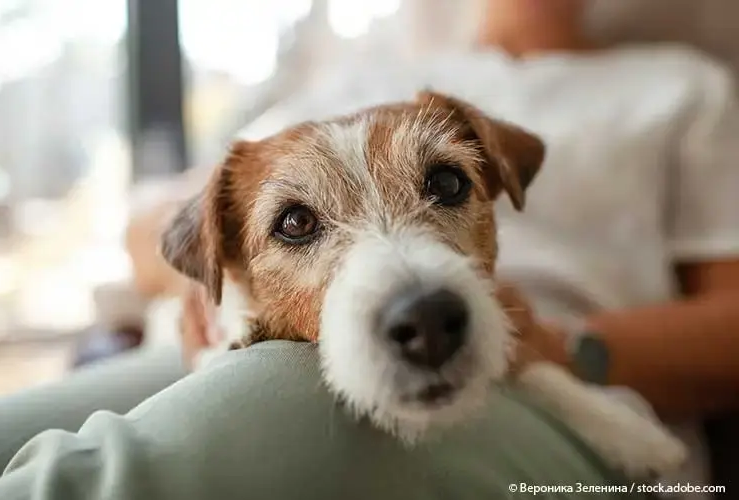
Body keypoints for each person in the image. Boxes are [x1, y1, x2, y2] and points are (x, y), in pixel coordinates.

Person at [173, 0, 739, 497]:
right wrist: (206, 293)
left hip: (564, 392)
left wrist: (563, 347)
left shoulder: (685, 89)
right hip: (297, 346)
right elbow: (165, 225)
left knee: (225, 427)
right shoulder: (352, 82)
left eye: (445, 185)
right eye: (298, 222)